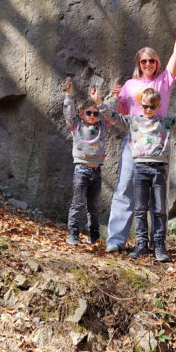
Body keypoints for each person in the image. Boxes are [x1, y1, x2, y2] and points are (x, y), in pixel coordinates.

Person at [105, 8, 176, 254]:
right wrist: (115, 98)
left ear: (157, 63)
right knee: (124, 189)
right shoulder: (130, 85)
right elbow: (121, 113)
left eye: (151, 61)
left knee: (157, 199)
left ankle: (156, 244)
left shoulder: (163, 82)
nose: (147, 65)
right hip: (133, 144)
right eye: (143, 61)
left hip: (156, 146)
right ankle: (116, 240)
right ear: (138, 63)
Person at [102, 82, 176, 262]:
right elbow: (113, 117)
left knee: (159, 209)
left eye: (152, 106)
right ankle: (142, 245)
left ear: (158, 106)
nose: (148, 109)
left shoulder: (164, 122)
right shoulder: (133, 121)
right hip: (140, 168)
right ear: (140, 105)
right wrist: (99, 101)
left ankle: (159, 245)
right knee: (140, 208)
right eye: (145, 106)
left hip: (159, 169)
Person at [62, 79, 107, 245]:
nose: (93, 116)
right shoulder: (77, 125)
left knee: (93, 207)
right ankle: (73, 235)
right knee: (78, 204)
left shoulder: (102, 126)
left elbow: (109, 112)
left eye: (95, 113)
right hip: (82, 170)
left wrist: (111, 98)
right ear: (82, 114)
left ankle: (94, 237)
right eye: (89, 113)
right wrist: (68, 94)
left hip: (97, 171)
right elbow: (69, 113)